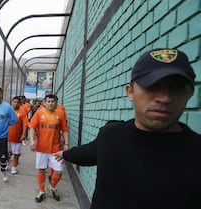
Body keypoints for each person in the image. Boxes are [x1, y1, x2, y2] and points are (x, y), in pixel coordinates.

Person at [54, 48, 201, 209]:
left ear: (190, 94)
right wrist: (65, 153)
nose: (164, 98)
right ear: (130, 92)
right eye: (152, 86)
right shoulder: (111, 136)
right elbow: (89, 153)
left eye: (176, 87)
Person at [28, 94, 69, 202]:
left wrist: (66, 144)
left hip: (56, 149)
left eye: (53, 101)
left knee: (59, 171)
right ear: (45, 103)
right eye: (48, 101)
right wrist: (32, 141)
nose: (51, 103)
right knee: (41, 170)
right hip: (41, 148)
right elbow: (32, 127)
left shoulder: (60, 113)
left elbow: (65, 130)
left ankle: (52, 187)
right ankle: (41, 191)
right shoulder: (39, 112)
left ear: (56, 103)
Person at [7, 96, 29, 174]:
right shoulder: (8, 110)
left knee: (16, 153)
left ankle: (14, 166)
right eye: (14, 102)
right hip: (7, 136)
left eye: (18, 102)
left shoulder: (23, 112)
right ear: (12, 102)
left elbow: (25, 124)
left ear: (20, 104)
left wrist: (23, 134)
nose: (16, 104)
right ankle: (7, 163)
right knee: (8, 152)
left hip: (17, 137)